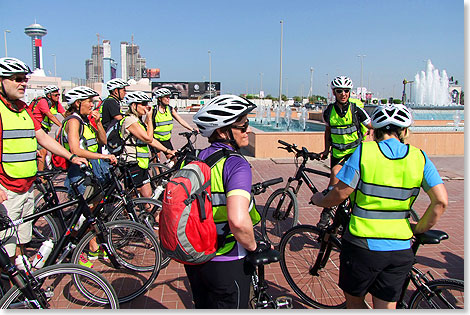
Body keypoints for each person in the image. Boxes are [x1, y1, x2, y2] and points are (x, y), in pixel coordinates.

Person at [311, 103, 448, 309]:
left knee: (355, 304)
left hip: (362, 245)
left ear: (374, 131)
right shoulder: (419, 157)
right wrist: (418, 229)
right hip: (400, 248)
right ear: (404, 132)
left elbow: (341, 193)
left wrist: (318, 200)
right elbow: (441, 201)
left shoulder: (364, 151)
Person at [0, 57, 87, 263]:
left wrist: (70, 156)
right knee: (5, 250)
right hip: (7, 189)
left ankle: (18, 290)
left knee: (21, 242)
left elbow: (42, 137)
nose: (23, 83)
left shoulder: (23, 109)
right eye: (17, 79)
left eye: (25, 79)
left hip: (27, 185)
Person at [187, 95, 263, 309]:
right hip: (227, 259)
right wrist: (254, 247)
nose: (248, 129)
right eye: (243, 125)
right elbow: (238, 221)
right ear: (222, 131)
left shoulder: (197, 158)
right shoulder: (235, 164)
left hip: (196, 258)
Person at [62, 86, 118, 267]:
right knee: (85, 212)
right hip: (80, 171)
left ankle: (93, 246)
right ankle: (77, 248)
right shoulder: (73, 121)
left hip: (94, 170)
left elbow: (102, 141)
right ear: (78, 103)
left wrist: (99, 123)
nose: (92, 105)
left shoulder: (86, 121)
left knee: (94, 209)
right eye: (89, 102)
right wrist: (103, 156)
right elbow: (75, 149)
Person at [318, 76, 373, 228]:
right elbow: (328, 131)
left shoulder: (356, 110)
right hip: (337, 153)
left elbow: (372, 126)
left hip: (354, 152)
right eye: (339, 91)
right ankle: (340, 213)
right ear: (334, 93)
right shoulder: (328, 112)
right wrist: (326, 150)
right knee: (338, 183)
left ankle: (327, 210)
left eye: (346, 91)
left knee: (336, 175)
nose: (343, 94)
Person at [120, 91, 175, 198]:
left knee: (149, 198)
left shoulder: (138, 121)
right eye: (143, 104)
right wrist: (149, 118)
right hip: (132, 162)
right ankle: (120, 214)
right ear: (133, 105)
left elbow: (152, 140)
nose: (147, 107)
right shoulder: (129, 121)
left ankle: (147, 214)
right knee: (132, 198)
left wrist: (168, 151)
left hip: (141, 163)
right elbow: (148, 138)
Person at [152, 88, 196, 160]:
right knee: (156, 162)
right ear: (159, 98)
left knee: (173, 159)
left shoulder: (170, 109)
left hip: (166, 139)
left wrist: (192, 129)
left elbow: (180, 120)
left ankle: (172, 171)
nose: (168, 99)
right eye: (166, 97)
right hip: (155, 140)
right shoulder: (153, 110)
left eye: (169, 97)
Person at [30, 85, 66, 172]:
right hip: (35, 129)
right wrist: (62, 126)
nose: (58, 97)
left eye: (58, 95)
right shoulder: (43, 101)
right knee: (43, 151)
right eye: (55, 95)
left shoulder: (56, 103)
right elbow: (50, 115)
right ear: (49, 95)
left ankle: (41, 170)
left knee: (44, 152)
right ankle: (41, 177)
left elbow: (65, 114)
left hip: (43, 131)